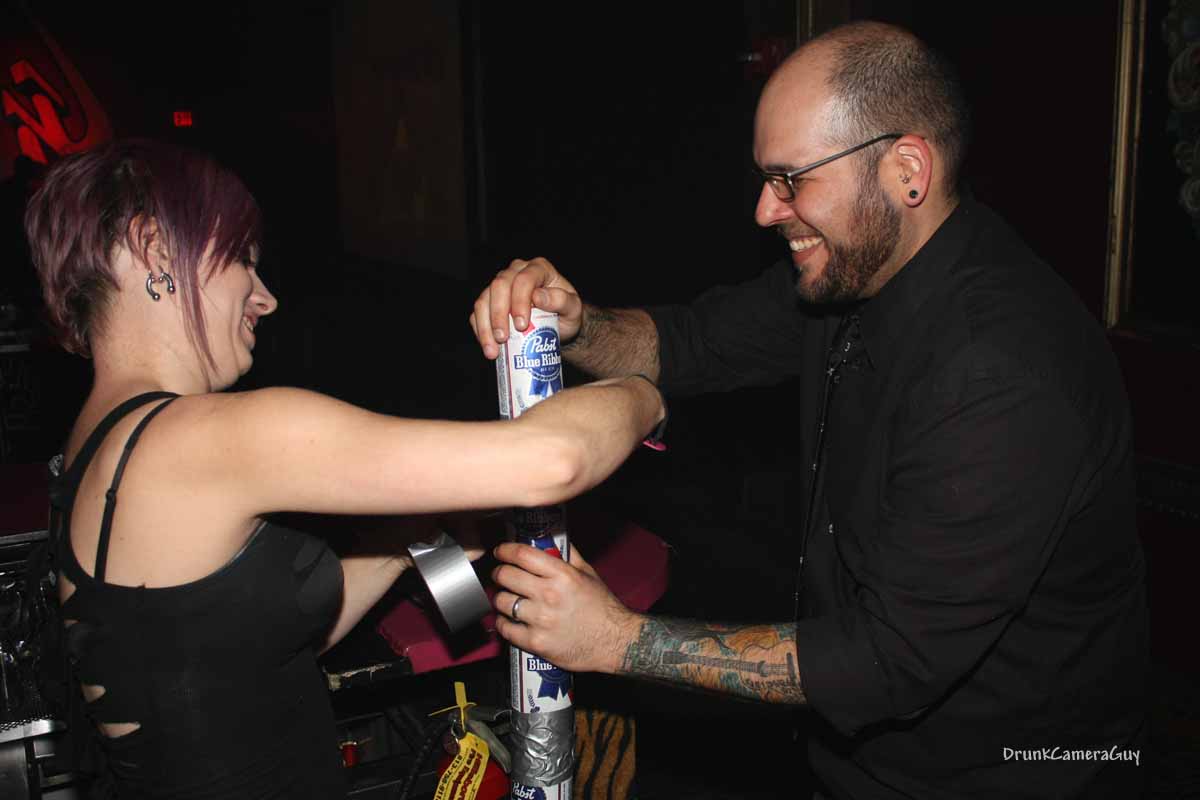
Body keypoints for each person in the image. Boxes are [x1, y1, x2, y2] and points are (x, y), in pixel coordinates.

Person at [470, 21, 1148, 800]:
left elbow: (887, 660)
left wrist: (617, 640)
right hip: (858, 760)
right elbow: (690, 343)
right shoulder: (860, 266)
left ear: (907, 171)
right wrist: (577, 321)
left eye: (791, 179)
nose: (766, 209)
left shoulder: (1005, 371)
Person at [25, 138, 665, 799]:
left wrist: (410, 537)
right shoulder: (203, 437)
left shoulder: (93, 448)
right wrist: (648, 386)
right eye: (243, 260)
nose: (265, 298)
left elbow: (239, 658)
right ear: (155, 248)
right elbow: (553, 460)